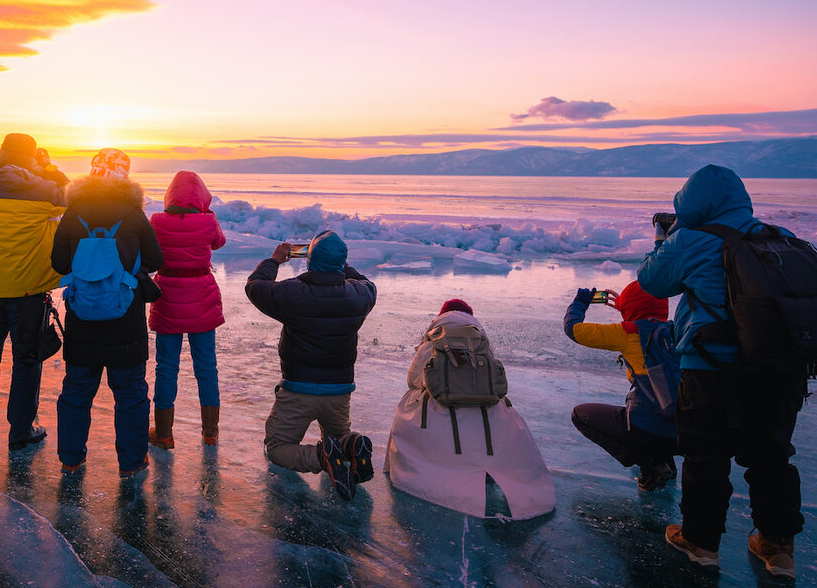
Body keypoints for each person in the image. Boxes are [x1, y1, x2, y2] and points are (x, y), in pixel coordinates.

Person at [638, 164, 804, 577]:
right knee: (771, 456)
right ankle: (778, 547)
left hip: (710, 367)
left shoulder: (692, 239)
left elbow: (652, 283)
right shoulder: (777, 237)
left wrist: (666, 237)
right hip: (778, 369)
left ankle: (700, 542)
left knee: (706, 454)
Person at [384, 299, 556, 519]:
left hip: (441, 422)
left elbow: (414, 380)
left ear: (441, 316)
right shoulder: (481, 343)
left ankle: (432, 469)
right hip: (486, 420)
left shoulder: (432, 342)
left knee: (410, 400)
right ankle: (489, 469)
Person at [50, 148, 162, 477]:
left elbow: (58, 263)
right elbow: (156, 261)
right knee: (130, 393)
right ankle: (131, 463)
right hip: (124, 318)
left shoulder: (74, 212)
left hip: (82, 317)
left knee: (76, 391)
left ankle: (70, 458)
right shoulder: (133, 213)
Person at [244, 231, 376, 499]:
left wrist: (275, 261)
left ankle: (320, 456)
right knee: (340, 439)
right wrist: (339, 264)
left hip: (298, 390)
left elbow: (255, 286)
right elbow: (365, 282)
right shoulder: (359, 296)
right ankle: (352, 445)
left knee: (278, 447)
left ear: (309, 260)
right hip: (339, 392)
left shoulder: (294, 292)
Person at [0, 133, 69, 449]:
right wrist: (47, 168)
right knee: (26, 360)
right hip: (28, 292)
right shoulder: (44, 190)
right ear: (32, 158)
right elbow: (68, 196)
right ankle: (21, 430)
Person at [563, 282, 678, 491]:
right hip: (685, 433)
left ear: (630, 308)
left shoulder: (627, 333)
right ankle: (667, 463)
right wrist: (627, 310)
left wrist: (580, 303)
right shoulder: (676, 332)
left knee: (580, 415)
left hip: (649, 431)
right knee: (661, 403)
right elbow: (648, 322)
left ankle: (650, 463)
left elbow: (574, 330)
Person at [148, 170, 227, 449]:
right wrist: (207, 214)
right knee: (207, 367)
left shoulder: (157, 220)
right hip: (201, 297)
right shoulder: (208, 220)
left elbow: (149, 252)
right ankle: (210, 432)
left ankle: (164, 432)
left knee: (166, 367)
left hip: (168, 296)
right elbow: (219, 243)